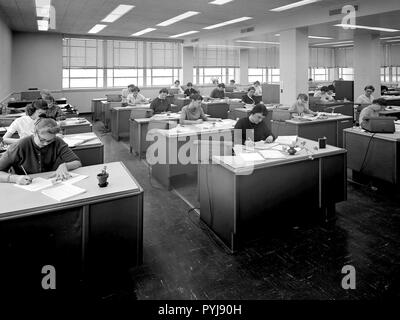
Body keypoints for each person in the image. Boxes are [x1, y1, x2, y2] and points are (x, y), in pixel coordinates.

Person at [0, 118, 82, 185]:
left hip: (49, 183)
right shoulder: (19, 146)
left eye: (50, 141)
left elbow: (77, 162)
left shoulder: (57, 141)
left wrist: (65, 165)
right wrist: (15, 178)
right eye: (42, 140)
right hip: (26, 185)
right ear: (34, 133)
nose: (46, 143)